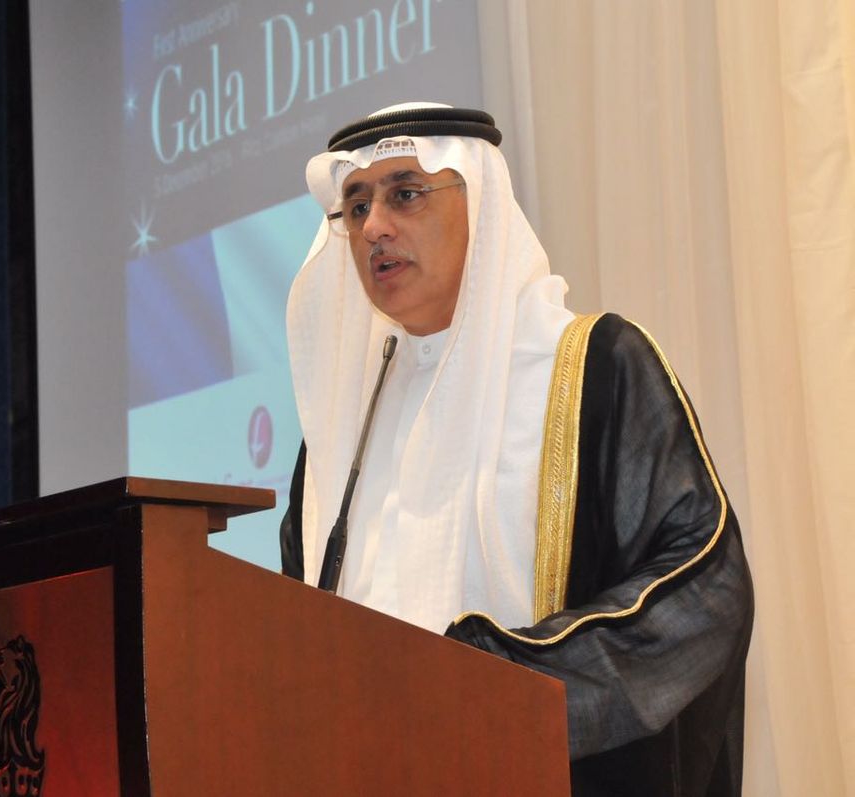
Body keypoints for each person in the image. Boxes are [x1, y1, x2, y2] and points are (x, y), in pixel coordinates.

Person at [279, 103, 754, 796]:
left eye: (405, 194)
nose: (373, 225)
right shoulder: (342, 428)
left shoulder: (592, 368)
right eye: (355, 206)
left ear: (482, 202)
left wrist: (498, 685)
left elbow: (704, 586)